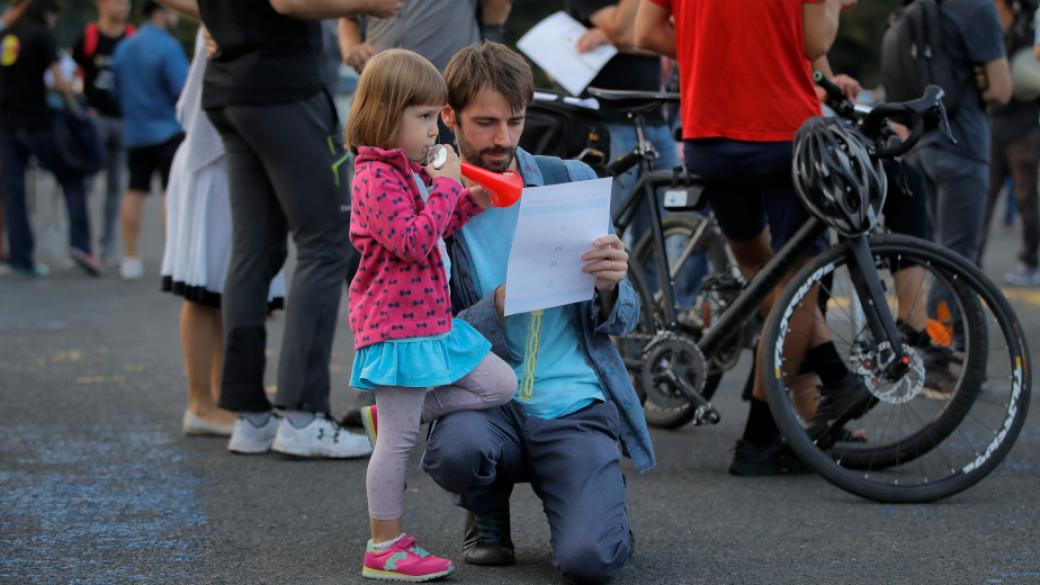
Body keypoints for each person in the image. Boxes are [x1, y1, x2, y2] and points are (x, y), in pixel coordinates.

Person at [420, 41, 647, 584]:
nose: (502, 139)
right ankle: (486, 504)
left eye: (515, 122)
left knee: (590, 561)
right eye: (486, 123)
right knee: (457, 451)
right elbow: (421, 335)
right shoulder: (432, 203)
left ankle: (599, 517)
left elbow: (627, 317)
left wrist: (613, 285)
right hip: (485, 399)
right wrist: (493, 308)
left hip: (570, 399)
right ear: (449, 117)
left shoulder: (567, 178)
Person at [154, 0, 402, 459]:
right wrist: (367, 3)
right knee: (325, 242)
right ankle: (303, 418)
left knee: (253, 248)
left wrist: (220, 17)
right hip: (281, 88)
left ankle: (250, 418)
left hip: (232, 88)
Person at [635, 0, 873, 475]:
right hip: (781, 134)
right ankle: (760, 438)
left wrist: (711, 51)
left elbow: (645, 33)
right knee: (800, 284)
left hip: (708, 135)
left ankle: (831, 370)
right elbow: (816, 43)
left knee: (758, 264)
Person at [344, 48, 516, 582]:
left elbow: (433, 225)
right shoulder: (375, 178)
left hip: (430, 325)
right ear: (385, 114)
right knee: (395, 445)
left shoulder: (406, 171)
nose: (432, 133)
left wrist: (470, 202)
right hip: (397, 329)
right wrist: (447, 186)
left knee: (500, 384)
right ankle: (385, 545)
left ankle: (395, 413)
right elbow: (413, 241)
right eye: (422, 118)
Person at [161, 28, 286, 437]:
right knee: (201, 288)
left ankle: (220, 397)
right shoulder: (224, 20)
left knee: (221, 288)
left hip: (230, 163)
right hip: (211, 167)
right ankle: (200, 402)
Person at [0, 0, 100, 278]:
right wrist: (72, 97)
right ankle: (81, 244)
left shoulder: (8, 35)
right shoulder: (41, 35)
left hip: (7, 124)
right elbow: (57, 80)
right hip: (37, 122)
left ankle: (21, 257)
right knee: (71, 177)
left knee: (14, 191)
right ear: (48, 13)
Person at [111, 0, 187, 280]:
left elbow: (116, 90)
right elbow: (183, 89)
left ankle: (130, 258)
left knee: (135, 190)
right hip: (168, 129)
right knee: (171, 194)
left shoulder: (125, 46)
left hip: (136, 131)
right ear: (162, 11)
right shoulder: (168, 46)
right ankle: (174, 259)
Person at [979, 0, 1040, 285]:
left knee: (1026, 197)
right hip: (993, 121)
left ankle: (1030, 261)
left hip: (1023, 124)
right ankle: (970, 260)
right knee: (984, 195)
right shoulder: (987, 23)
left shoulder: (1027, 26)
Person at [71, 0, 134, 265]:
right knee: (85, 184)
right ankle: (82, 245)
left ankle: (108, 246)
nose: (122, 6)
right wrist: (82, 108)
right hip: (95, 120)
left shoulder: (133, 38)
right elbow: (72, 75)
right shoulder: (88, 37)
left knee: (116, 186)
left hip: (125, 121)